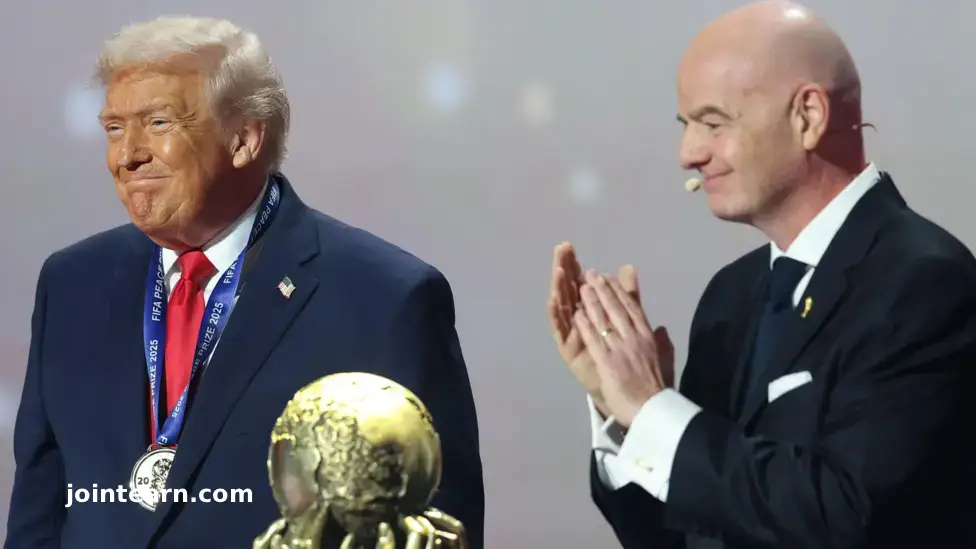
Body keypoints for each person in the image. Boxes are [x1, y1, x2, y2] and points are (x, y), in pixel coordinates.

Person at [4, 16, 484, 549]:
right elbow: (37, 518)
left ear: (244, 140)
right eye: (114, 128)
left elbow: (432, 528)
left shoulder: (385, 300)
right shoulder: (72, 285)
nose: (127, 156)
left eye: (158, 123)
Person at [549, 2, 976, 548]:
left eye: (713, 123)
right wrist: (623, 410)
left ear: (808, 117)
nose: (688, 154)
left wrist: (654, 410)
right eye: (686, 126)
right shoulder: (731, 297)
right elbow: (686, 534)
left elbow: (848, 516)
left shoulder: (923, 284)